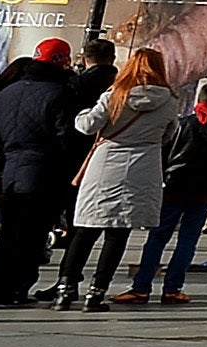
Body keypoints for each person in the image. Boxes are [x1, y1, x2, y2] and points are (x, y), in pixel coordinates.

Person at [60, 46, 181, 310]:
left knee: (85, 229)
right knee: (118, 233)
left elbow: (87, 125)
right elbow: (168, 136)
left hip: (105, 165)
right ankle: (96, 292)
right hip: (143, 167)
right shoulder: (171, 101)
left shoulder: (115, 95)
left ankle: (65, 289)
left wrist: (81, 114)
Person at [0, 39, 77, 307]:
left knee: (8, 232)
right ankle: (17, 287)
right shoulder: (60, 94)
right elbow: (66, 136)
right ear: (62, 62)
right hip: (44, 170)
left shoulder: (7, 92)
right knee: (32, 235)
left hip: (11, 168)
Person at [149, 75, 207, 305]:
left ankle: (141, 286)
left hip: (174, 186)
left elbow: (163, 151)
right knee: (187, 240)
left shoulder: (183, 123)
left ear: (200, 98)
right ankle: (172, 288)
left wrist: (164, 175)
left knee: (157, 237)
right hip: (204, 191)